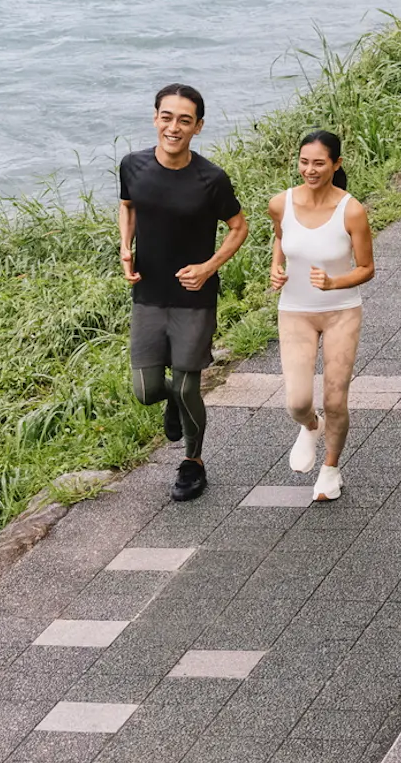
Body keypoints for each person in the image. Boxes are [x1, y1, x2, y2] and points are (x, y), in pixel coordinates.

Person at [118, 83, 248, 502]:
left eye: (185, 120)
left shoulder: (211, 179)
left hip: (194, 297)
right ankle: (172, 401)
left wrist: (209, 268)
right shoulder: (132, 166)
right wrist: (125, 246)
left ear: (198, 127)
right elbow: (128, 205)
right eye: (167, 117)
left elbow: (239, 227)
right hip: (149, 293)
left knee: (188, 386)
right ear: (155, 118)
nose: (174, 127)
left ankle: (193, 463)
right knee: (146, 390)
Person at [268, 127, 374, 500]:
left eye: (318, 163)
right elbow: (281, 236)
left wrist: (334, 283)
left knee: (334, 399)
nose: (309, 170)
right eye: (303, 162)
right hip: (295, 311)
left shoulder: (352, 209)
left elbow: (366, 269)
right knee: (297, 402)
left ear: (336, 164)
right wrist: (275, 267)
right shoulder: (281, 203)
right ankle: (311, 426)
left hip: (341, 311)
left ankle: (330, 468)